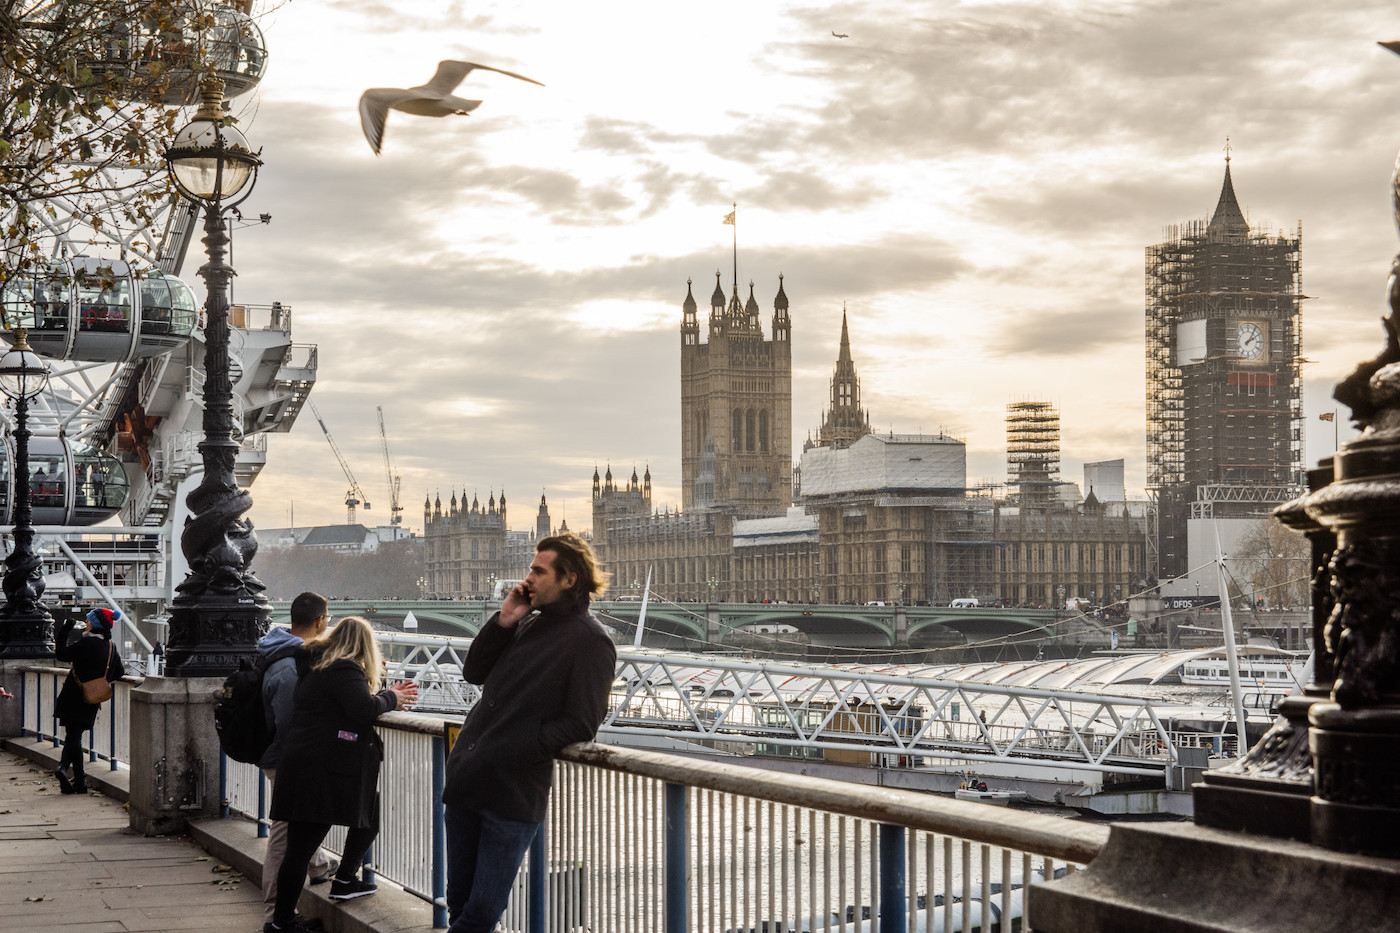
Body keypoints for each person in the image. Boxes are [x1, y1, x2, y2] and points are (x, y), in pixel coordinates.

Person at [442, 532, 618, 933]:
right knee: (459, 903)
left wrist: (512, 747)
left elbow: (582, 723)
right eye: (530, 569)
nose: (528, 578)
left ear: (569, 579)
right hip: (468, 777)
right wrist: (504, 620)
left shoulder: (591, 641)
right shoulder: (525, 622)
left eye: (539, 571)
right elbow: (474, 673)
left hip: (513, 790)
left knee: (482, 910)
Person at [266, 617, 416, 933]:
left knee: (362, 812)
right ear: (364, 646)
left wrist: (381, 691)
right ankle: (285, 921)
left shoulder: (316, 667)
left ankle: (335, 886)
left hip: (304, 764)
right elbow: (363, 709)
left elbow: (346, 704)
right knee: (301, 850)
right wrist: (392, 697)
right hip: (322, 771)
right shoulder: (344, 669)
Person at [256, 592, 337, 930]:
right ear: (319, 621)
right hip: (286, 758)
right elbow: (293, 726)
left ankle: (318, 866)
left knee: (296, 825)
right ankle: (276, 916)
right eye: (327, 619)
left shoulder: (278, 652)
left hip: (276, 752)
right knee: (285, 833)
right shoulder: (291, 667)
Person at [53, 607, 126, 794]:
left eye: (89, 619)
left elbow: (61, 654)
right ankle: (80, 782)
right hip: (92, 697)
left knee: (73, 735)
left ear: (95, 624)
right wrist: (100, 679)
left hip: (72, 694)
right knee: (74, 736)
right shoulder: (110, 647)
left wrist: (64, 631)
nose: (86, 622)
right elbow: (120, 672)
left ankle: (63, 767)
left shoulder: (84, 644)